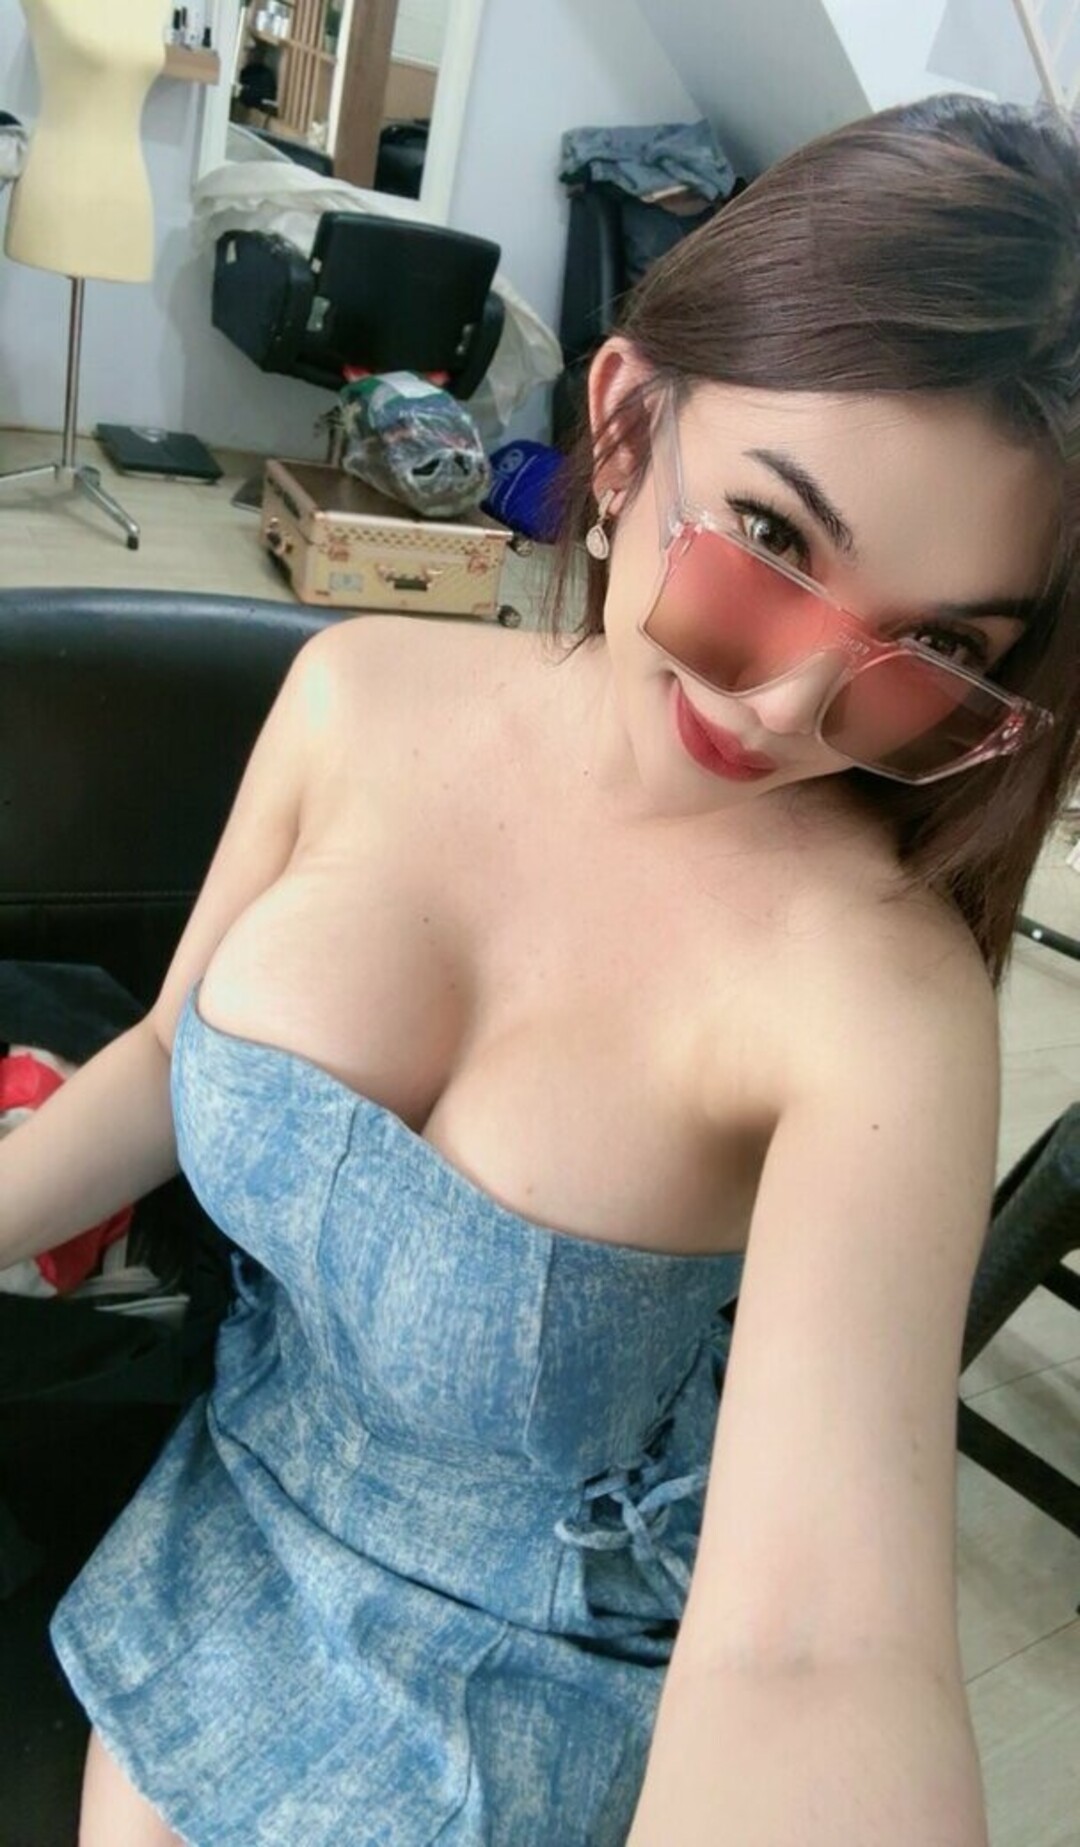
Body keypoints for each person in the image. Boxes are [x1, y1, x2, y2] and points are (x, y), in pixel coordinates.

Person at [3, 93, 1078, 1846]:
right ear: (628, 423)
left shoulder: (875, 1005)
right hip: (231, 1504)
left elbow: (822, 1649)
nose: (793, 705)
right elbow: (158, 1061)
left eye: (933, 653)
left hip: (532, 1678)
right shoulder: (356, 692)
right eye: (771, 547)